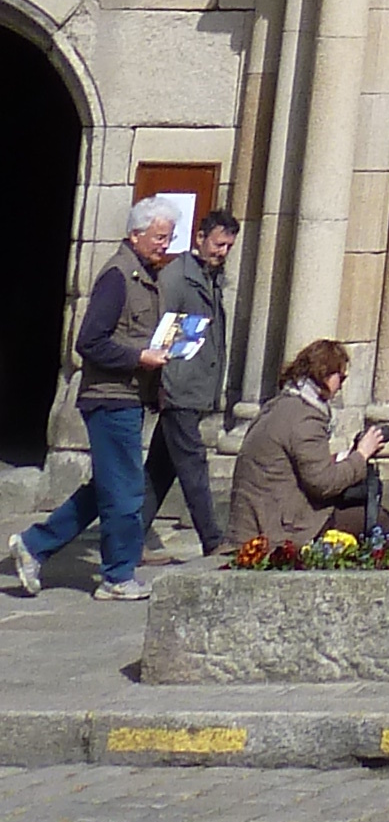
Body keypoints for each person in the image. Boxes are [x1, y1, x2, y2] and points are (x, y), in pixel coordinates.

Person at [5, 201, 179, 599]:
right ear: (135, 234)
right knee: (126, 490)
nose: (164, 245)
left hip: (129, 396)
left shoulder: (145, 276)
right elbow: (90, 342)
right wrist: (140, 357)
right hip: (110, 397)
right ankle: (117, 576)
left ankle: (33, 545)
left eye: (168, 238)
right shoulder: (118, 276)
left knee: (107, 486)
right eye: (158, 237)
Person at [144, 206, 242, 558]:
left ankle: (128, 537)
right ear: (200, 238)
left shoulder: (210, 277)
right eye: (218, 244)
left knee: (159, 469)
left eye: (228, 247)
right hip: (178, 388)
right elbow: (159, 335)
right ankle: (212, 539)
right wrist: (164, 384)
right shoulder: (176, 278)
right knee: (193, 465)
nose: (222, 252)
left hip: (194, 387)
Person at [229, 339, 389, 551]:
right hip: (276, 528)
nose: (341, 385)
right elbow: (323, 484)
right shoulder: (305, 417)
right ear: (324, 374)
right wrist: (361, 455)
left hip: (256, 518)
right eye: (341, 377)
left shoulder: (279, 405)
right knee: (378, 519)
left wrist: (342, 459)